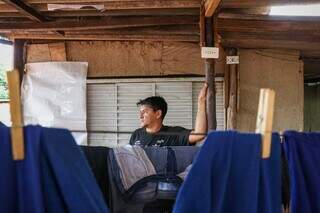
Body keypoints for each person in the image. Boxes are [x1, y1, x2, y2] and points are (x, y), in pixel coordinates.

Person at [129, 83, 208, 147]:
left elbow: (200, 133)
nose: (140, 116)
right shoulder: (136, 134)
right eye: (140, 112)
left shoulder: (174, 134)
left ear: (158, 114)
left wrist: (201, 101)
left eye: (144, 112)